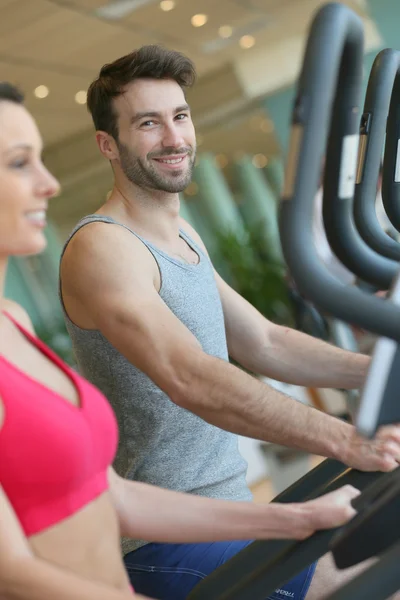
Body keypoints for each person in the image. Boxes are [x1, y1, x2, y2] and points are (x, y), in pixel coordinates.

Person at [0, 82, 367, 600]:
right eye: (149, 122)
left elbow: (265, 341)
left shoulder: (16, 319)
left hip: (206, 517)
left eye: (181, 116)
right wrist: (346, 440)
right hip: (156, 552)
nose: (174, 136)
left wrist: (374, 375)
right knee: (361, 569)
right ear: (108, 144)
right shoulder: (102, 246)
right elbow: (190, 376)